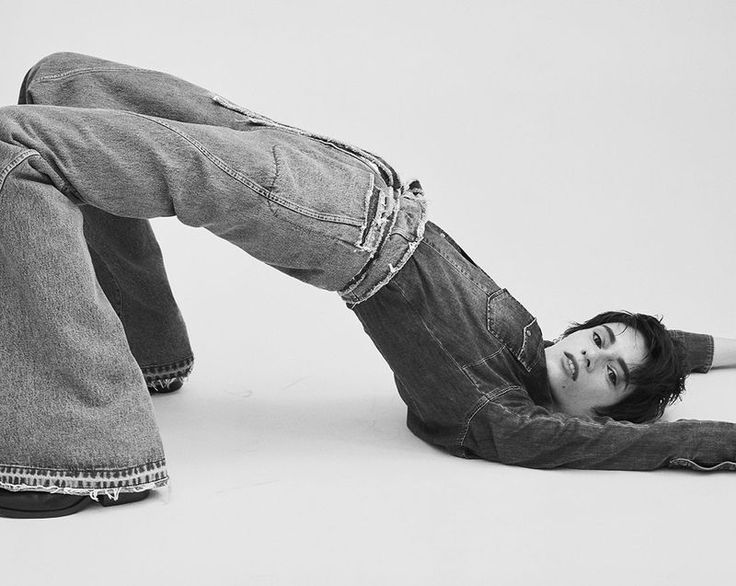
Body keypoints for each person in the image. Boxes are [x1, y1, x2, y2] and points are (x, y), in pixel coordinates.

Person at [0, 53, 734, 519]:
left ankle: (86, 448)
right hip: (337, 168)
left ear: (609, 414)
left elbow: (629, 446)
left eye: (610, 377)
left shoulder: (501, 414)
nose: (591, 358)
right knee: (61, 82)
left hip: (330, 219)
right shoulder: (532, 341)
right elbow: (669, 348)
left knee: (19, 142)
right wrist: (719, 350)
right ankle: (149, 350)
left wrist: (702, 441)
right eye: (601, 339)